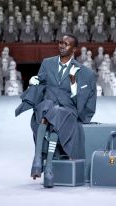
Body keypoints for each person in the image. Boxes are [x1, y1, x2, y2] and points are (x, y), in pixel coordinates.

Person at [15, 34, 97, 188]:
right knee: (49, 108)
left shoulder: (83, 72)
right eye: (60, 43)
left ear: (74, 49)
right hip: (47, 106)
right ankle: (44, 163)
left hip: (68, 110)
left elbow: (83, 101)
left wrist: (73, 84)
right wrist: (34, 81)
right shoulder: (47, 63)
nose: (62, 46)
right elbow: (40, 84)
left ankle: (42, 162)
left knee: (55, 114)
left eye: (66, 44)